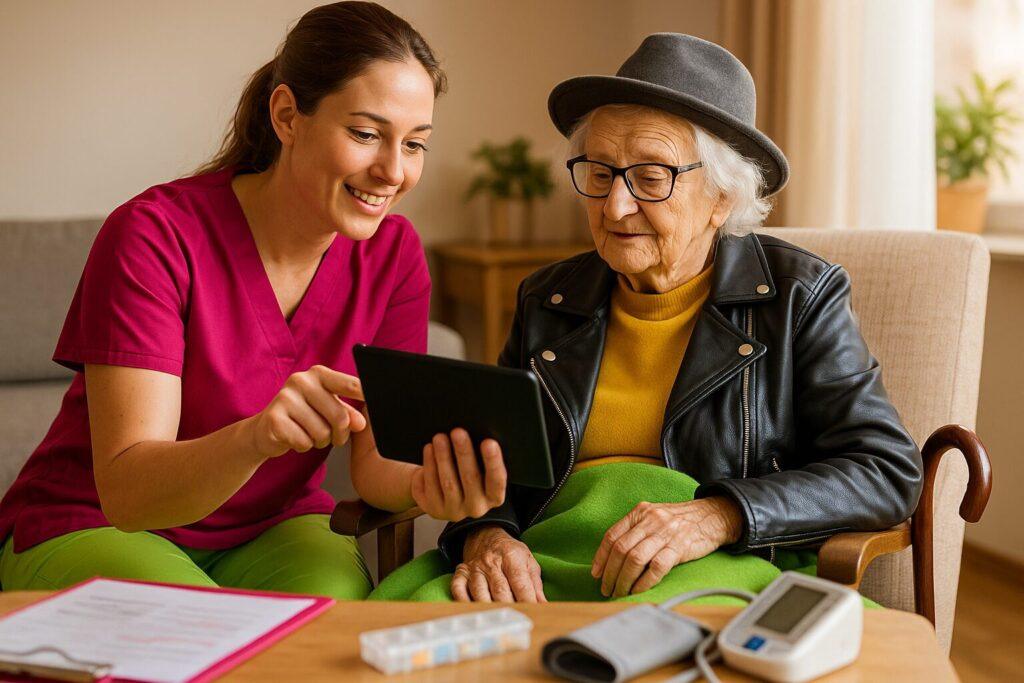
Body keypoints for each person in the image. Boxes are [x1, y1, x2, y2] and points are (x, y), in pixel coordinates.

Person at [371, 33, 923, 604]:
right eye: (601, 173)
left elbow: (886, 469)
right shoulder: (549, 298)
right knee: (406, 624)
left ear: (721, 197)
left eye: (652, 178)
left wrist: (719, 515)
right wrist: (487, 537)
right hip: (546, 558)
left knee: (648, 646)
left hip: (709, 561)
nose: (615, 206)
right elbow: (497, 465)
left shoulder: (798, 297)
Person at [0, 1, 506, 599]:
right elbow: (129, 492)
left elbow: (376, 467)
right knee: (191, 639)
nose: (392, 171)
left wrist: (430, 482)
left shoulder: (393, 255)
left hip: (275, 529)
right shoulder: (153, 235)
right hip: (98, 521)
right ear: (288, 116)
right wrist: (256, 437)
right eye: (366, 134)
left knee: (331, 637)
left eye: (415, 143)